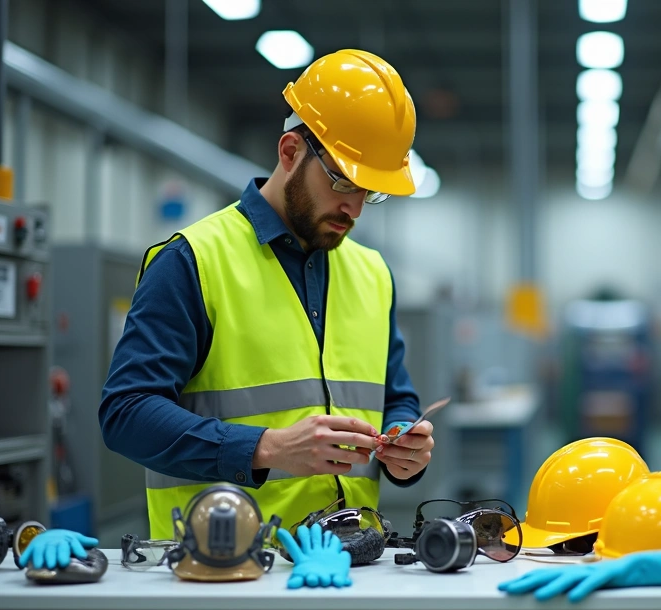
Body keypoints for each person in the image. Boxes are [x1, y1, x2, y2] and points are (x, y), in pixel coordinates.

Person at [99, 49, 433, 539]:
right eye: (342, 180)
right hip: (225, 569)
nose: (354, 208)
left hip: (349, 563)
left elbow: (395, 397)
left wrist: (407, 447)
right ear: (290, 152)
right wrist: (267, 448)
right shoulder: (193, 260)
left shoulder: (372, 273)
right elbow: (126, 413)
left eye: (370, 192)